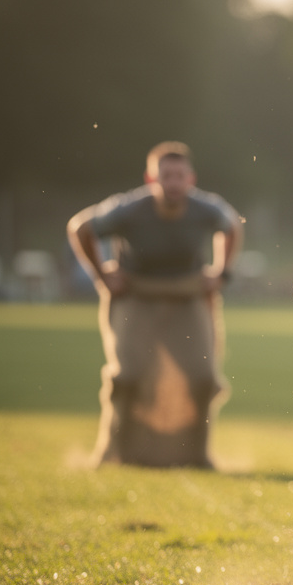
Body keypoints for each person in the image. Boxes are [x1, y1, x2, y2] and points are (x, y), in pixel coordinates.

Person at [67, 142, 242, 469]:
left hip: (187, 294)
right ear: (151, 179)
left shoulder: (205, 208)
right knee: (128, 376)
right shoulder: (128, 209)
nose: (173, 183)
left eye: (180, 176)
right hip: (137, 294)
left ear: (191, 179)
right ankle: (116, 454)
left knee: (203, 378)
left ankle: (196, 456)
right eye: (166, 176)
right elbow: (80, 227)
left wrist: (222, 273)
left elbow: (232, 226)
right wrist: (101, 276)